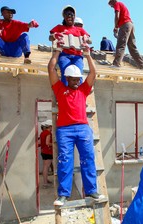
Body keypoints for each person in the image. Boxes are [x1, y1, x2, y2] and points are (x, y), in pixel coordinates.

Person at [48, 39, 104, 206]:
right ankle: (64, 194)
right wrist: (57, 51)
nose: (77, 81)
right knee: (65, 160)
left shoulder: (83, 89)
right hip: (65, 130)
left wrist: (88, 55)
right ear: (67, 78)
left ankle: (92, 191)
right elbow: (51, 69)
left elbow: (93, 73)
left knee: (88, 159)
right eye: (74, 79)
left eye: (79, 79)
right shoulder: (59, 89)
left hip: (83, 129)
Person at [49, 6, 92, 86]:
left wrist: (86, 38)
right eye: (67, 14)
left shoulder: (79, 29)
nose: (69, 16)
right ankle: (65, 94)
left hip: (77, 56)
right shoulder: (59, 27)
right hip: (64, 55)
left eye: (71, 14)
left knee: (78, 73)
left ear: (74, 17)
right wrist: (55, 35)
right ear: (64, 17)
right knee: (66, 72)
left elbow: (90, 40)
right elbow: (50, 37)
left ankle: (79, 94)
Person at [108, 0, 143, 70]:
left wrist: (116, 27)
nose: (112, 7)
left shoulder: (117, 3)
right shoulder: (121, 4)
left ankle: (116, 64)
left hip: (125, 25)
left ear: (113, 1)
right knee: (132, 47)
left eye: (111, 5)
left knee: (121, 45)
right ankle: (142, 66)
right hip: (130, 25)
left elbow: (117, 16)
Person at [40, 120, 53, 187]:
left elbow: (41, 143)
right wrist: (54, 144)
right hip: (48, 151)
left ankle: (46, 180)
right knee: (46, 167)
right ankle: (45, 183)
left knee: (45, 166)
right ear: (50, 126)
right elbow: (47, 143)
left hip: (43, 151)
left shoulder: (42, 133)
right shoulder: (48, 133)